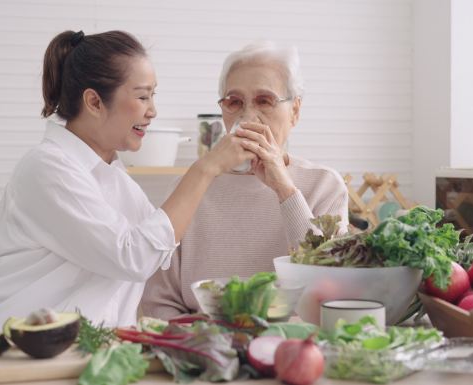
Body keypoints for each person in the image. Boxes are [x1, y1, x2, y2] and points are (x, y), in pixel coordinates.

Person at [0, 30, 259, 329]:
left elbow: (161, 251)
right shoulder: (46, 169)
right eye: (142, 96)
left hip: (77, 353)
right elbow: (134, 257)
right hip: (10, 351)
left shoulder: (114, 177)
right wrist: (206, 167)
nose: (153, 110)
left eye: (152, 96)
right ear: (94, 102)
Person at [141, 41, 349, 319]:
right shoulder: (190, 187)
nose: (248, 115)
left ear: (295, 111)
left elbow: (330, 285)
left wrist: (284, 188)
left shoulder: (325, 186)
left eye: (264, 100)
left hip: (292, 345)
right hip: (203, 347)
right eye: (234, 102)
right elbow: (158, 303)